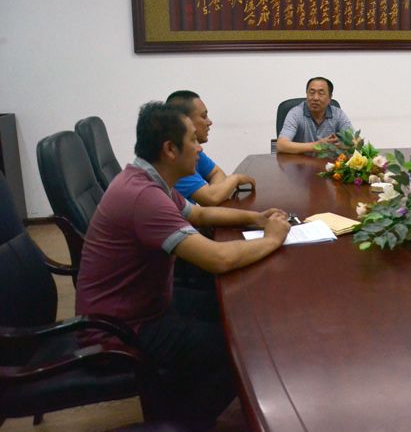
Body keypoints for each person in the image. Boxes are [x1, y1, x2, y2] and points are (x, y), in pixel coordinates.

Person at [76, 102, 291, 428]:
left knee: (235, 314)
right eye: (193, 139)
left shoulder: (148, 180)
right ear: (170, 149)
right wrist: (273, 239)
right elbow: (217, 259)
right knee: (240, 348)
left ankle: (179, 397)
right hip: (120, 330)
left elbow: (200, 213)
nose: (200, 148)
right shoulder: (144, 197)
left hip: (143, 306)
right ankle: (182, 422)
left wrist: (256, 219)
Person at [166, 90, 256, 205]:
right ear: (184, 121)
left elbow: (216, 173)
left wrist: (215, 191)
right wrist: (235, 179)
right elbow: (211, 198)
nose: (209, 122)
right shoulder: (174, 159)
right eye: (204, 116)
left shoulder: (194, 150)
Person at [276, 76, 353, 154]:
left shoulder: (338, 114)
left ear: (330, 97)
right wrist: (317, 146)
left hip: (329, 161)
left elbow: (356, 141)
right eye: (312, 93)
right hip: (300, 161)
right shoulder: (295, 113)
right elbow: (281, 145)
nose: (315, 98)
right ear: (306, 94)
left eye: (321, 93)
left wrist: (339, 145)